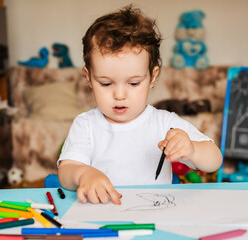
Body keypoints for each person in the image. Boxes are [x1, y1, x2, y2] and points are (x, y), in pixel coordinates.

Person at [57, 5, 223, 205]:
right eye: (106, 83)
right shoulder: (86, 125)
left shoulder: (165, 122)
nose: (120, 95)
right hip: (103, 218)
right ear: (89, 77)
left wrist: (193, 150)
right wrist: (84, 174)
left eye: (134, 83)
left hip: (156, 219)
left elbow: (214, 161)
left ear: (153, 77)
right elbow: (65, 172)